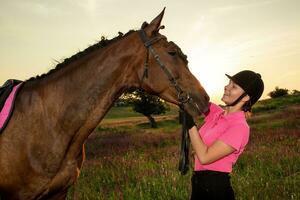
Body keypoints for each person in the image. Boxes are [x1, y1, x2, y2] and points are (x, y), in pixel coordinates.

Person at [185, 70, 264, 200]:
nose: (227, 87)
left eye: (234, 86)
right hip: (198, 184)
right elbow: (195, 98)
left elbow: (205, 157)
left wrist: (190, 126)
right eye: (229, 83)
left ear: (245, 97)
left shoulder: (239, 127)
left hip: (216, 188)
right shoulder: (217, 113)